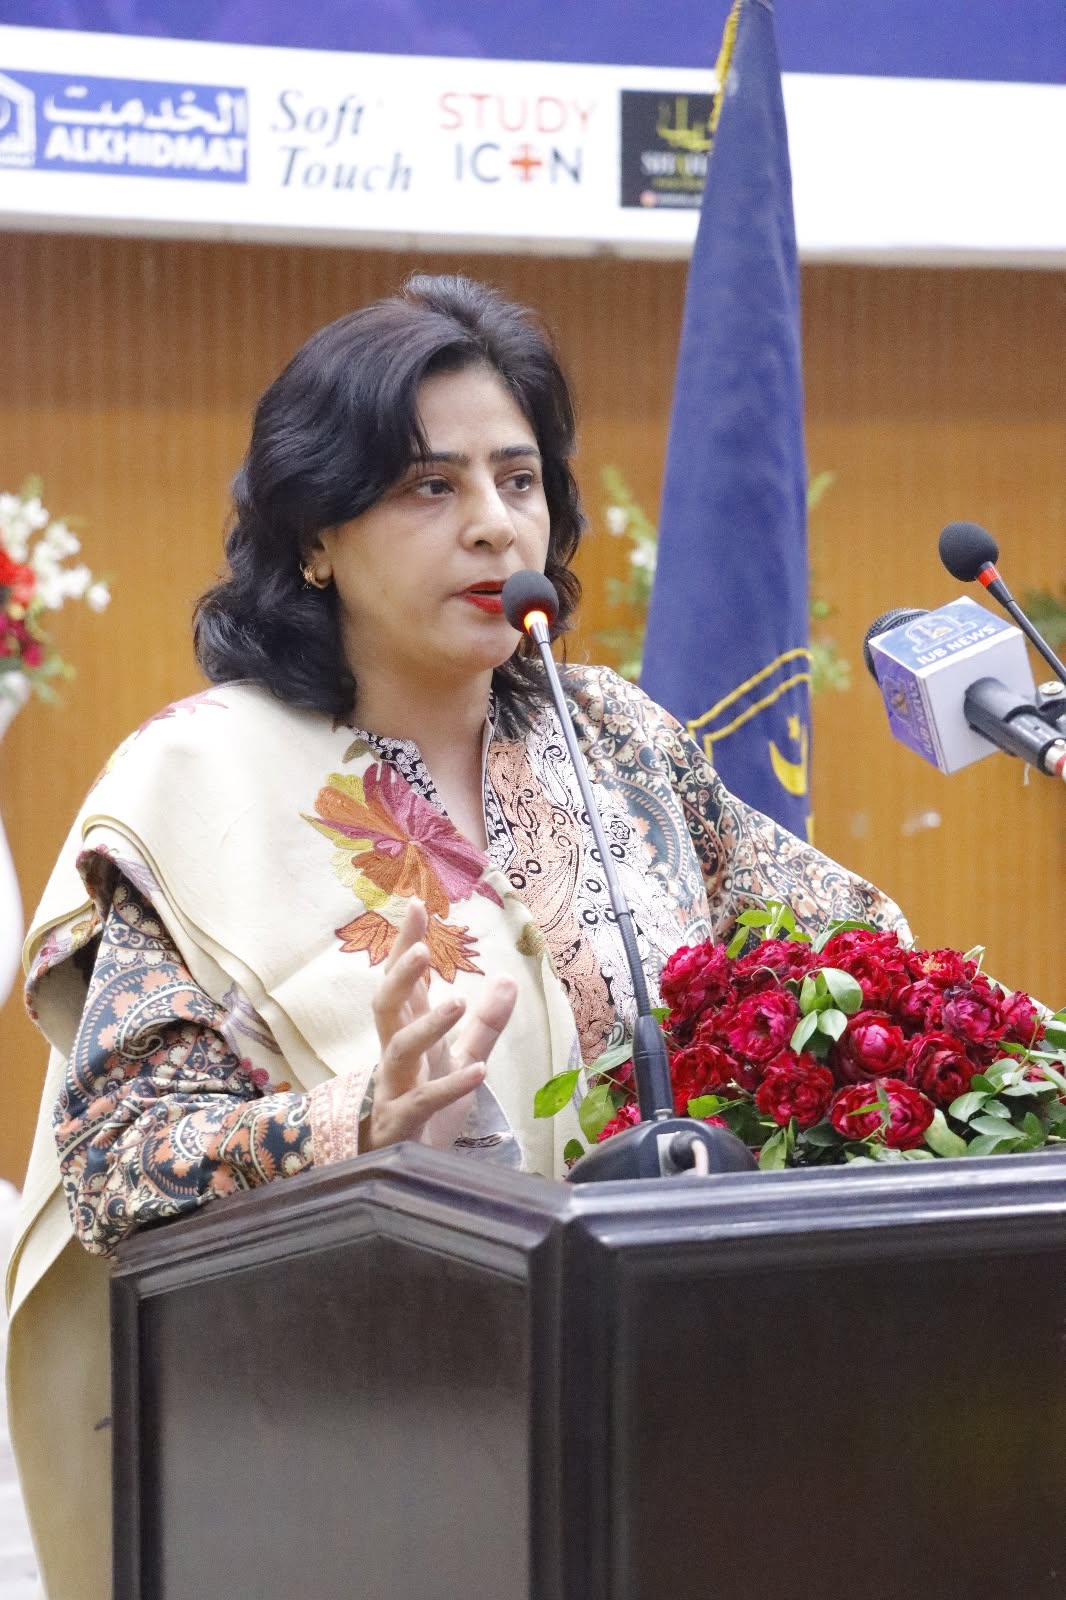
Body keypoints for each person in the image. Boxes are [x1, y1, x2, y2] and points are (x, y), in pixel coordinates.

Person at [7, 273, 907, 1598]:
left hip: (683, 1416)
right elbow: (116, 1165)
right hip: (365, 1446)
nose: (495, 522)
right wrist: (360, 1125)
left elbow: (866, 957)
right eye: (429, 486)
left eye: (519, 478)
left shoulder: (616, 741)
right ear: (314, 535)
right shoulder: (192, 783)